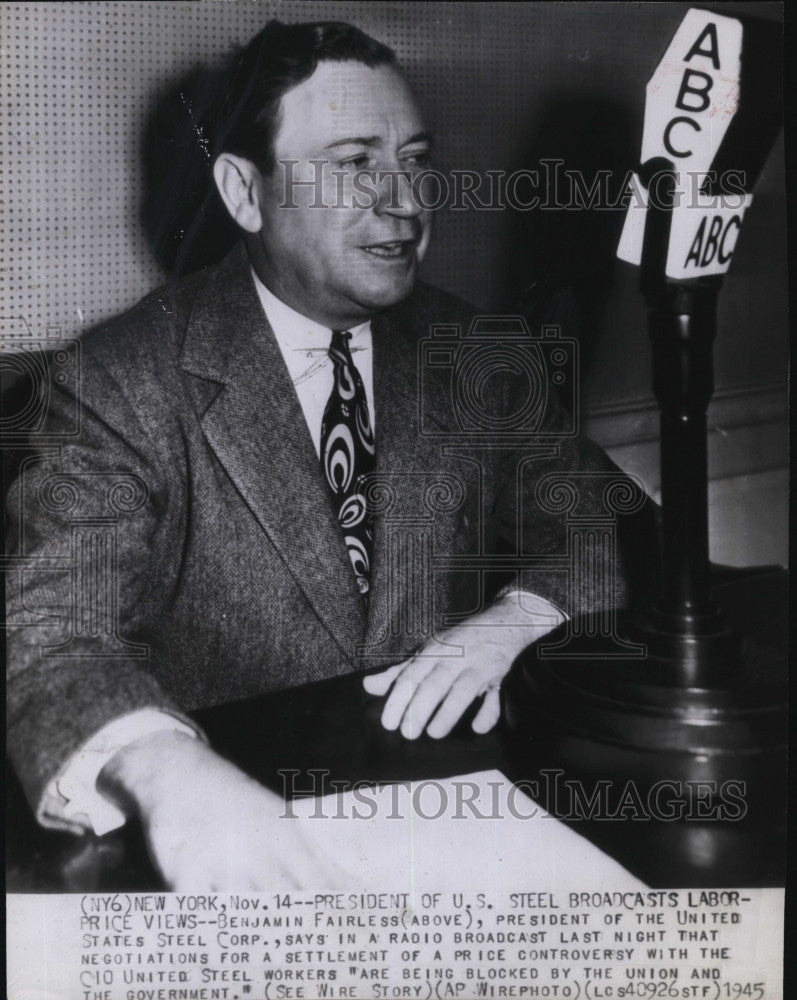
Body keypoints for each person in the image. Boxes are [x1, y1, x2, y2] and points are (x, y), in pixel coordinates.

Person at [5, 20, 655, 890]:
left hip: (456, 833)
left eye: (415, 160)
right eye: (354, 163)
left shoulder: (469, 347)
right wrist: (168, 772)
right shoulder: (116, 379)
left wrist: (524, 616)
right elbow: (52, 634)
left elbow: (602, 522)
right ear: (244, 190)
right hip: (224, 847)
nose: (405, 202)